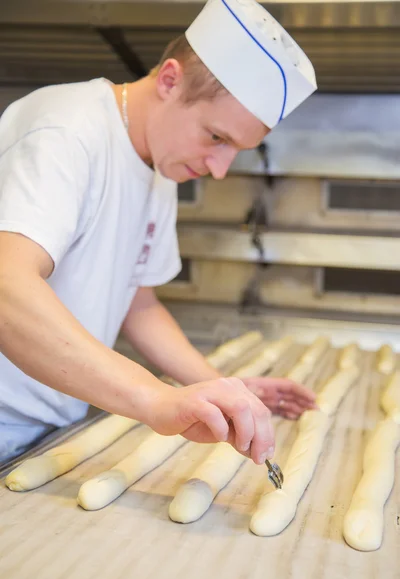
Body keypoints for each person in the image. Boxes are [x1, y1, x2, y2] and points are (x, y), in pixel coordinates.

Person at [0, 0, 318, 462]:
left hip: (47, 430)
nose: (220, 169)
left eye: (237, 150)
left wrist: (216, 386)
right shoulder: (66, 130)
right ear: (170, 80)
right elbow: (8, 284)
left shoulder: (161, 162)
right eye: (216, 137)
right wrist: (154, 398)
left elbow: (137, 302)